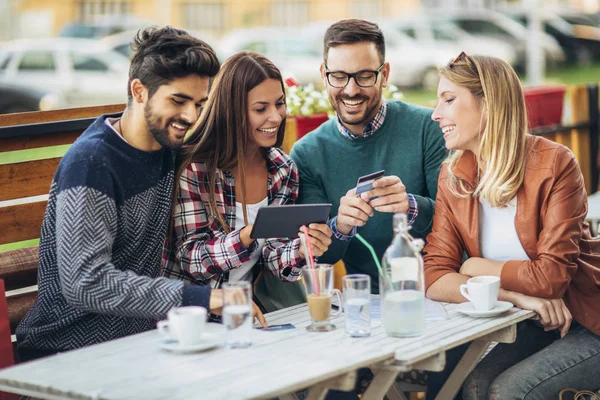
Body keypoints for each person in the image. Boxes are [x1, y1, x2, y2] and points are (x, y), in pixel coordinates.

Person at [15, 26, 234, 362]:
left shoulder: (167, 146)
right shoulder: (91, 164)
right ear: (139, 90)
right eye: (178, 100)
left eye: (199, 104)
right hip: (67, 350)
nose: (191, 116)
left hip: (136, 344)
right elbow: (85, 283)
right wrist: (202, 298)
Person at [425, 52, 600, 398]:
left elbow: (550, 278)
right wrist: (516, 296)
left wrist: (475, 267)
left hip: (588, 319)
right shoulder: (453, 176)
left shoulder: (554, 163)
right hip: (537, 318)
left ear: (488, 104)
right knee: (473, 386)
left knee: (511, 391)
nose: (435, 113)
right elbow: (434, 277)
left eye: (448, 99)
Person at [161, 52, 332, 313]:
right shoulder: (195, 169)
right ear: (232, 111)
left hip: (246, 315)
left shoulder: (282, 170)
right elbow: (190, 260)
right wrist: (245, 236)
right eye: (260, 109)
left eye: (280, 104)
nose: (275, 117)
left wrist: (300, 250)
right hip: (191, 317)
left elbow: (273, 256)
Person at [290, 19, 447, 294]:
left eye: (364, 76)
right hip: (368, 304)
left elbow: (457, 222)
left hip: (438, 291)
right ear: (323, 74)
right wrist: (341, 225)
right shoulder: (307, 153)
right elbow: (321, 257)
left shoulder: (428, 128)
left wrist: (410, 205)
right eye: (339, 76)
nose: (351, 90)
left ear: (384, 74)